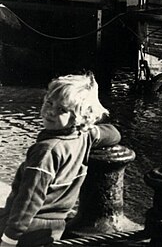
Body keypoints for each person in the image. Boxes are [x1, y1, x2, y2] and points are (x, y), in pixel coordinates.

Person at [0, 73, 121, 247]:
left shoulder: (46, 151)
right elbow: (113, 133)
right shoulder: (83, 137)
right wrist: (89, 129)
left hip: (26, 229)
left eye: (62, 110)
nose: (50, 111)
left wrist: (9, 240)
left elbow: (29, 200)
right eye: (49, 103)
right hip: (54, 228)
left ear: (78, 117)